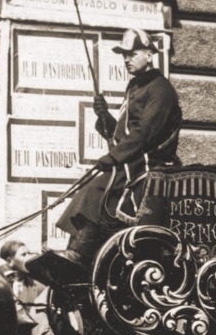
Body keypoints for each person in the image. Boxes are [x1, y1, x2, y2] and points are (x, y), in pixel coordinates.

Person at [31, 26, 182, 286]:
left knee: (97, 187)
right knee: (92, 187)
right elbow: (124, 135)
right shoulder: (135, 87)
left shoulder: (160, 89)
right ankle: (76, 253)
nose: (126, 59)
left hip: (150, 166)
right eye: (123, 54)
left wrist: (112, 158)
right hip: (132, 163)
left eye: (132, 54)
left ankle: (79, 255)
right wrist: (105, 117)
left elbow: (145, 134)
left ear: (149, 54)